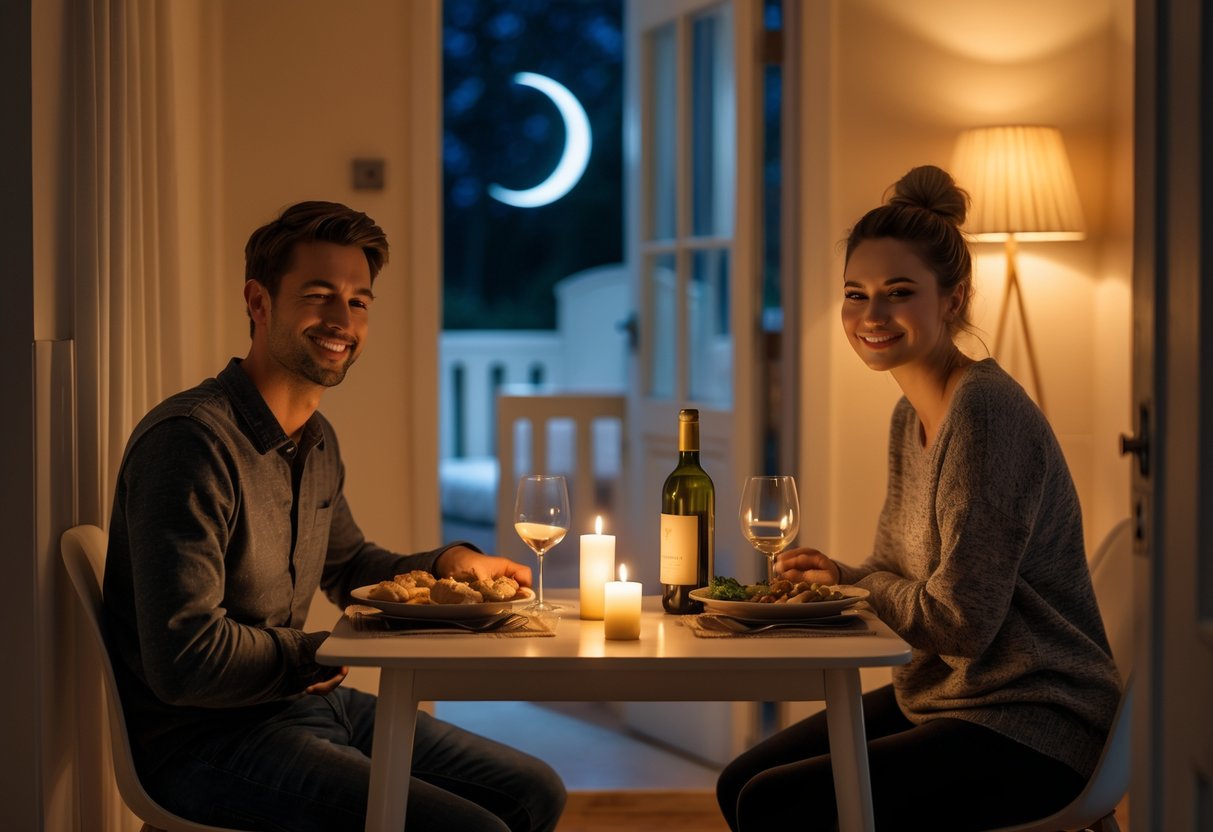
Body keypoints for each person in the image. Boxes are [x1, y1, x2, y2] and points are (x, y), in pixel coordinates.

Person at [103, 200, 567, 831]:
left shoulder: (314, 438)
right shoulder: (191, 442)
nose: (341, 319)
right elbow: (186, 659)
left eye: (358, 301)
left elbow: (349, 566)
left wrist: (448, 563)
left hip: (297, 704)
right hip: (203, 743)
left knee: (533, 789)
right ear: (259, 302)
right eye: (319, 295)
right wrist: (316, 652)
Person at [716, 166, 1121, 831]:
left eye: (897, 293)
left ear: (952, 298)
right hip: (944, 696)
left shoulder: (985, 414)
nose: (870, 316)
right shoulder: (910, 416)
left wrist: (861, 590)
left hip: (1031, 720)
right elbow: (893, 573)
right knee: (740, 782)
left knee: (774, 804)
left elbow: (958, 625)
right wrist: (840, 576)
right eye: (855, 294)